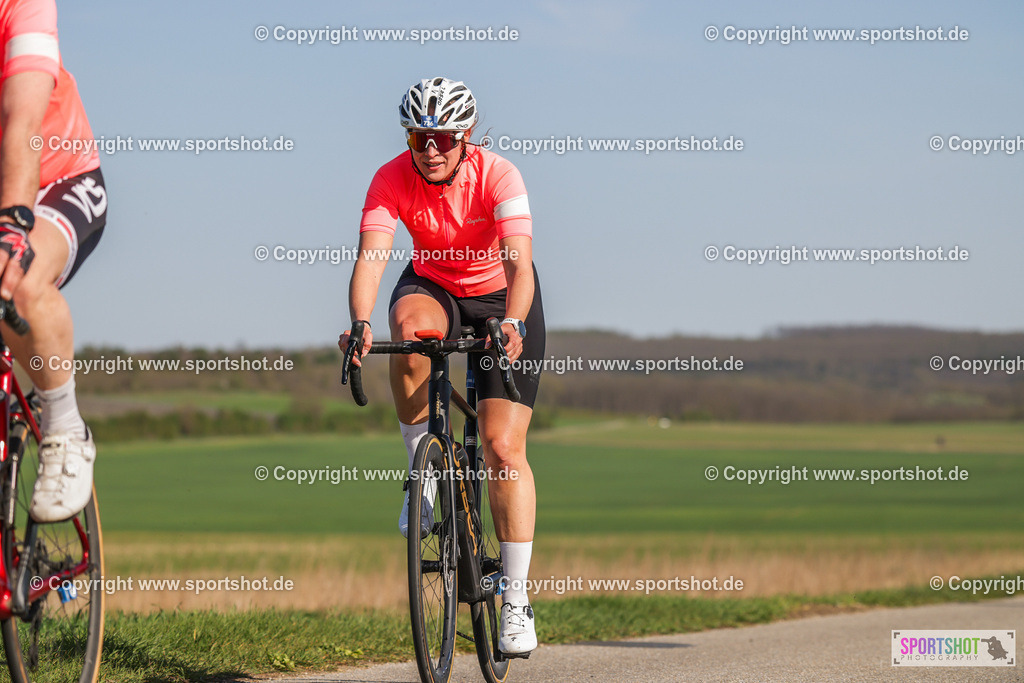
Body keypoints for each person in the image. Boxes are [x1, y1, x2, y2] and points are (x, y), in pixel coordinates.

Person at [338, 76, 544, 656]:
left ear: (465, 136)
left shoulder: (499, 175)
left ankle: (516, 598)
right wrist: (359, 322)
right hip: (433, 285)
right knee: (408, 337)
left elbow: (520, 266)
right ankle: (423, 471)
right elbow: (372, 258)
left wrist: (514, 323)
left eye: (444, 138)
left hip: (501, 297)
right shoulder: (390, 177)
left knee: (502, 449)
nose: (431, 150)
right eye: (418, 138)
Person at [0, 0, 107, 522]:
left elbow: (23, 122)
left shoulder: (22, 5)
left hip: (59, 180)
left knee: (19, 278)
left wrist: (11, 228)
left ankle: (64, 428)